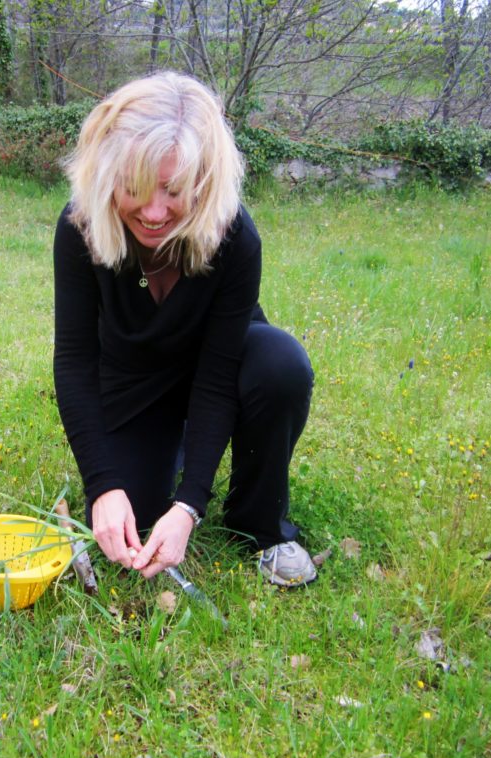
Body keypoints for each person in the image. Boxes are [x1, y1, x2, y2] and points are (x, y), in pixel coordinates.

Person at [53, 72, 317, 587]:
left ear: (204, 180)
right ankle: (174, 445)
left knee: (280, 365)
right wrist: (104, 486)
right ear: (107, 177)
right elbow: (75, 362)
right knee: (138, 511)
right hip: (133, 377)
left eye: (174, 191)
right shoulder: (79, 229)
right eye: (134, 188)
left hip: (216, 362)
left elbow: (218, 378)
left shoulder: (236, 238)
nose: (154, 213)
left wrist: (190, 506)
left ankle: (260, 525)